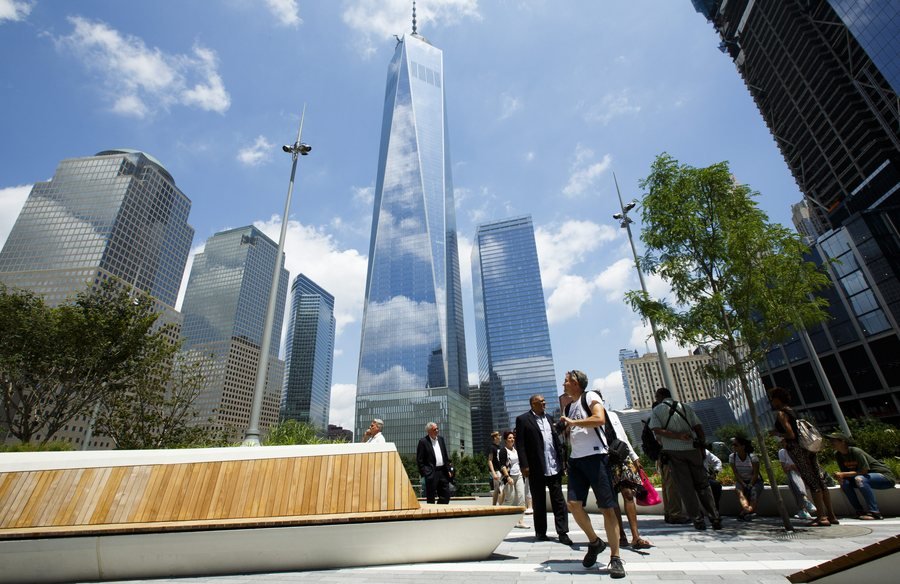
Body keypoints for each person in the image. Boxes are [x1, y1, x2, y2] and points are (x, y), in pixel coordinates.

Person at [559, 369, 626, 579]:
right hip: (576, 461)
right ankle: (595, 542)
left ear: (576, 383)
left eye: (567, 381)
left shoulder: (591, 397)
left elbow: (599, 419)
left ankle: (615, 558)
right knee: (573, 505)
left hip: (597, 458)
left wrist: (574, 423)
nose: (564, 384)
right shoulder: (569, 406)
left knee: (607, 508)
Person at [649, 387, 721, 531]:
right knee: (703, 485)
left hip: (674, 452)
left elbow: (656, 430)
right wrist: (701, 446)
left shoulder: (657, 411)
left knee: (686, 487)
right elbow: (699, 427)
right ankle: (715, 518)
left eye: (656, 396)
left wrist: (676, 436)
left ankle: (698, 520)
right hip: (693, 450)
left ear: (660, 397)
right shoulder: (686, 407)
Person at [768, 386, 837, 526]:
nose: (771, 402)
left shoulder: (781, 413)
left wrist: (777, 434)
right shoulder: (793, 411)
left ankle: (821, 517)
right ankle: (831, 515)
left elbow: (790, 434)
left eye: (772, 399)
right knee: (819, 480)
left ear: (776, 400)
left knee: (811, 481)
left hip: (797, 449)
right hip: (808, 448)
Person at [515, 394, 571, 544]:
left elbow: (553, 438)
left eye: (544, 401)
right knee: (538, 501)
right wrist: (524, 465)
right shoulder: (523, 420)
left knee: (559, 501)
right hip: (536, 467)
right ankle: (540, 532)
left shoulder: (549, 418)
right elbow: (520, 444)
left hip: (554, 465)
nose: (544, 403)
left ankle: (563, 532)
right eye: (541, 402)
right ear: (533, 404)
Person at [606, 407, 652, 550]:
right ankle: (620, 535)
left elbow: (623, 437)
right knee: (612, 498)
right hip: (605, 459)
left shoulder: (613, 415)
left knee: (628, 493)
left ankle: (636, 537)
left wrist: (634, 457)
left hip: (622, 456)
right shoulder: (590, 418)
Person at [827, 432, 895, 520]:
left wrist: (843, 474)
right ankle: (859, 511)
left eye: (833, 440)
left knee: (860, 479)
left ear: (843, 441)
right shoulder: (838, 455)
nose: (831, 442)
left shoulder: (856, 451)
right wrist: (841, 477)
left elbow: (864, 471)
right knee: (845, 483)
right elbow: (846, 473)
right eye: (830, 440)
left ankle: (875, 513)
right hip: (865, 479)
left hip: (884, 478)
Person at [778, 438, 817, 520]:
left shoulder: (796, 450)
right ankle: (805, 501)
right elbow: (785, 469)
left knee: (792, 478)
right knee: (792, 476)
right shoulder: (782, 452)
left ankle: (802, 510)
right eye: (781, 442)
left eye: (783, 442)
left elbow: (803, 466)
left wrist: (792, 466)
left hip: (805, 473)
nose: (782, 444)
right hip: (795, 475)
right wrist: (793, 466)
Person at [416, 422, 453, 504]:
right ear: (429, 431)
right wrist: (425, 473)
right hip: (431, 472)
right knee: (431, 496)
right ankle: (432, 512)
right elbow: (419, 460)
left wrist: (449, 470)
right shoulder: (423, 442)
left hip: (443, 471)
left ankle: (440, 510)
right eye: (434, 429)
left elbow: (445, 456)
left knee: (446, 494)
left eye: (437, 428)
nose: (437, 430)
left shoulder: (441, 439)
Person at [498, 430, 529, 529]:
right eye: (510, 438)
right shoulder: (503, 451)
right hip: (509, 477)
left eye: (513, 438)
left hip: (519, 476)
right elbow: (502, 465)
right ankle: (498, 515)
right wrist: (507, 477)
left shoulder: (516, 450)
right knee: (510, 500)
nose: (512, 439)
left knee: (521, 498)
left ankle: (520, 521)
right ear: (506, 440)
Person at [729, 436, 764, 521]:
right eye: (732, 445)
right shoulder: (732, 457)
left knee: (753, 494)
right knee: (739, 493)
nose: (733, 447)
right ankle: (747, 510)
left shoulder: (752, 457)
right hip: (741, 480)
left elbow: (755, 473)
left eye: (736, 445)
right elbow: (736, 473)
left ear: (743, 446)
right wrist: (743, 483)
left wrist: (751, 484)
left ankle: (744, 512)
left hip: (755, 481)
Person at [703, 446, 723, 512]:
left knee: (716, 485)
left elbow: (717, 462)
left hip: (704, 478)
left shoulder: (704, 451)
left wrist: (715, 472)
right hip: (689, 478)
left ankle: (715, 509)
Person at [487, 431, 504, 505]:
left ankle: (494, 505)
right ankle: (501, 505)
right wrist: (493, 472)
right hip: (496, 471)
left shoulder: (500, 447)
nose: (500, 437)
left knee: (497, 489)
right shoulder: (491, 447)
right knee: (500, 488)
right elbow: (490, 460)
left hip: (501, 470)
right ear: (495, 438)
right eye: (499, 436)